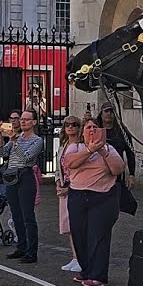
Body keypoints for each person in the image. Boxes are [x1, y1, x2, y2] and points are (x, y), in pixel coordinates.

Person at [63, 117, 125, 286]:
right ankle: (86, 270)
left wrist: (103, 152)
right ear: (82, 132)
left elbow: (118, 169)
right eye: (88, 127)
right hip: (78, 196)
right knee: (79, 235)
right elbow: (70, 163)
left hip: (102, 197)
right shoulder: (75, 147)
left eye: (95, 127)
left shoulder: (109, 149)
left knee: (98, 236)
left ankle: (98, 275)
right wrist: (90, 150)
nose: (91, 130)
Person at [2, 109, 45, 263]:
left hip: (25, 176)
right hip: (12, 176)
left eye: (27, 119)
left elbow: (26, 158)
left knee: (28, 216)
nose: (23, 121)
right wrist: (1, 138)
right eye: (22, 119)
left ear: (34, 122)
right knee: (16, 215)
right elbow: (2, 153)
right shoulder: (17, 137)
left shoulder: (37, 140)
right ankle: (21, 247)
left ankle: (32, 251)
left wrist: (15, 142)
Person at [54, 115, 83, 273]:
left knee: (77, 225)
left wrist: (69, 188)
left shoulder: (81, 147)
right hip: (64, 186)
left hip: (75, 187)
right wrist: (58, 182)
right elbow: (58, 168)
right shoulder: (63, 146)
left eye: (74, 124)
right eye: (67, 125)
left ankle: (81, 258)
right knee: (68, 226)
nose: (70, 127)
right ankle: (75, 256)